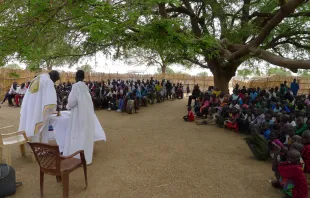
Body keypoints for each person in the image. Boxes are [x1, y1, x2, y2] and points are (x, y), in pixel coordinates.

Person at [64, 70, 106, 165]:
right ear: (83, 77)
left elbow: (71, 102)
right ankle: (86, 158)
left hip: (78, 115)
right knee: (85, 135)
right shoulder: (85, 86)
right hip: (87, 115)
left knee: (77, 134)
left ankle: (76, 157)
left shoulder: (76, 86)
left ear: (76, 77)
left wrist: (68, 106)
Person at [19, 71, 60, 143]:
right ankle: (43, 145)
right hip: (40, 108)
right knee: (42, 124)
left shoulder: (37, 78)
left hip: (31, 106)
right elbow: (51, 99)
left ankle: (35, 144)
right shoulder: (48, 81)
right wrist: (53, 110)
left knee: (34, 124)